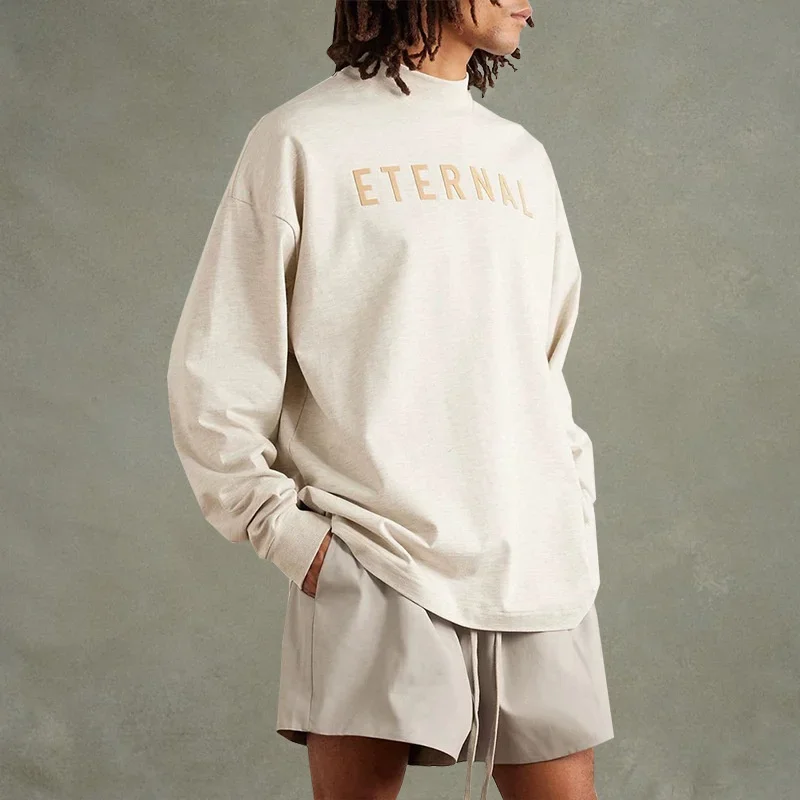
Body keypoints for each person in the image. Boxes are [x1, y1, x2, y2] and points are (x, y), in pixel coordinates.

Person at [166, 1, 614, 798]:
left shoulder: (520, 158)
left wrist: (572, 513)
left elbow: (541, 364)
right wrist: (288, 536)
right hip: (373, 550)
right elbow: (220, 360)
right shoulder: (302, 139)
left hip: (535, 557)